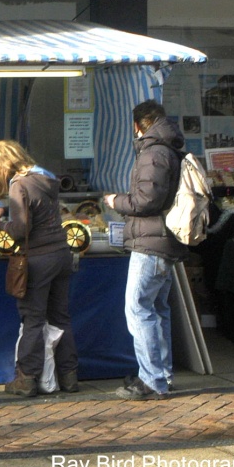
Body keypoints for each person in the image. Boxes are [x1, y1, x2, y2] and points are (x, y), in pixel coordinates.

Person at [103, 100, 187, 401]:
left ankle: (151, 380)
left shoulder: (154, 153)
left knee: (138, 309)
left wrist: (116, 201)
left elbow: (146, 200)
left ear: (140, 124)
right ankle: (162, 376)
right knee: (157, 310)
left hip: (150, 242)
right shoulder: (170, 148)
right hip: (162, 241)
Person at [0, 139, 77, 398]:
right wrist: (6, 208)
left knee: (33, 319)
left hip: (38, 259)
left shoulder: (18, 185)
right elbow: (38, 208)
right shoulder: (42, 177)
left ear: (3, 164)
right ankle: (69, 376)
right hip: (61, 253)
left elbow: (21, 229)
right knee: (60, 317)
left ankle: (26, 379)